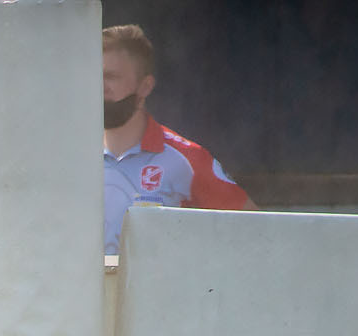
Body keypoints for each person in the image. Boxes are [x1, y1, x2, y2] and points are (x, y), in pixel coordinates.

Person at [100, 24, 251, 259]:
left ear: (145, 87)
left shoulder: (186, 159)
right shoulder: (70, 155)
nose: (100, 87)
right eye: (94, 76)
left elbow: (255, 228)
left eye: (111, 77)